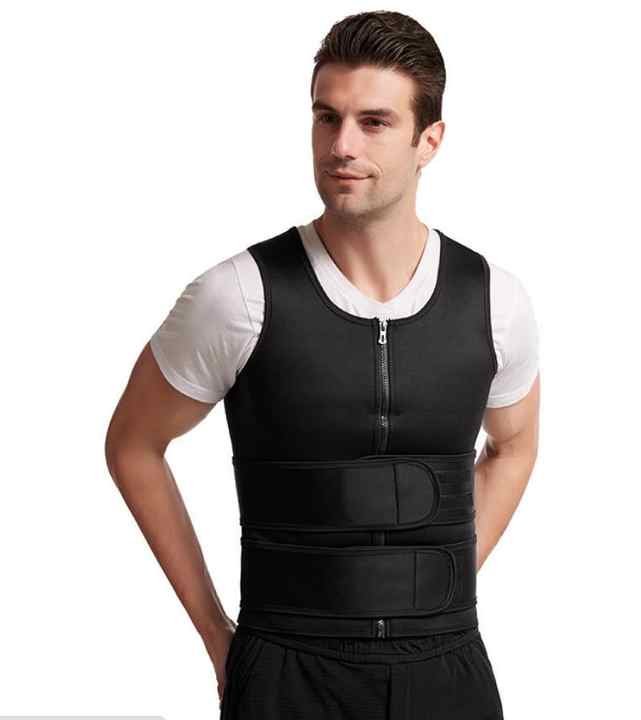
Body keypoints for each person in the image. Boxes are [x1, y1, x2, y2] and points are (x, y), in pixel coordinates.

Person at [105, 10, 540, 719]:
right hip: (286, 673)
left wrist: (437, 586)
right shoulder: (237, 295)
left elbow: (515, 444)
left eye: (374, 123)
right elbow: (133, 445)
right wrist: (217, 636)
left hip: (448, 671)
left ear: (429, 140)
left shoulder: (495, 301)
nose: (341, 146)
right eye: (326, 117)